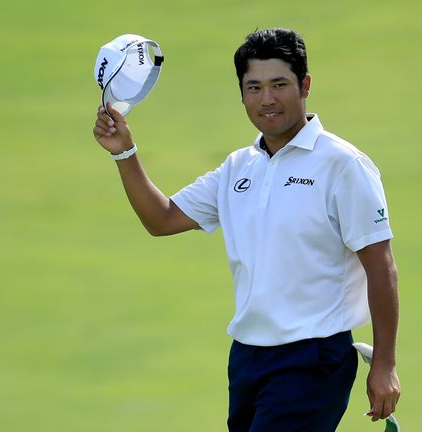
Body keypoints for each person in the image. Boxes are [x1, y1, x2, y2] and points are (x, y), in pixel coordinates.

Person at [92, 28, 400, 431]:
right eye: (253, 87)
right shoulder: (238, 168)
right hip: (248, 359)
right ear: (241, 94)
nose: (266, 99)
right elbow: (162, 219)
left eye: (279, 85)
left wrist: (385, 365)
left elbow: (382, 268)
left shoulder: (343, 165)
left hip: (313, 359)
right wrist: (126, 154)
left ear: (304, 86)